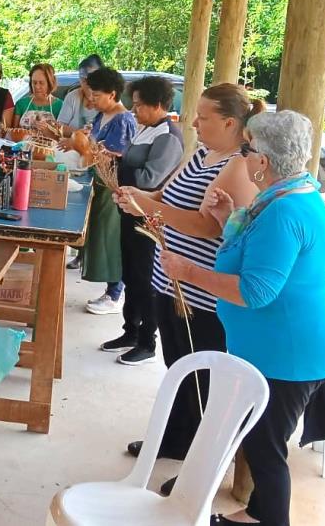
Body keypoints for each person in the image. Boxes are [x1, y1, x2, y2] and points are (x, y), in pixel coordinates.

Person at [160, 111, 325, 526]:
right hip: (276, 348)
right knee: (260, 438)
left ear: (263, 161)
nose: (241, 157)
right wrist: (227, 220)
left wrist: (188, 272)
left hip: (289, 354)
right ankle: (255, 512)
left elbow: (255, 291)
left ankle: (272, 519)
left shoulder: (285, 210)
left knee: (264, 447)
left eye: (246, 149)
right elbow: (259, 255)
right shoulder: (287, 194)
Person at [115, 83, 263, 468]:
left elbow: (208, 225)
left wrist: (147, 210)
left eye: (204, 116)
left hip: (201, 287)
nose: (193, 121)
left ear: (230, 122)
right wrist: (140, 196)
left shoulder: (237, 163)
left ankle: (200, 456)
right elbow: (166, 194)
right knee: (177, 362)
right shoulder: (202, 152)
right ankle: (178, 437)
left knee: (202, 372)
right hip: (171, 277)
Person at [100, 75, 184, 366]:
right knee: (131, 273)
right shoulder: (145, 128)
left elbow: (151, 179)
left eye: (138, 105)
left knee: (145, 277)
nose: (133, 111)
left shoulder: (168, 136)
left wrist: (120, 175)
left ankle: (148, 340)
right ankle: (130, 331)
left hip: (148, 216)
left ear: (157, 104)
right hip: (129, 209)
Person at [75, 67, 137, 309]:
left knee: (112, 239)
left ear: (112, 94)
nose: (92, 100)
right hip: (98, 181)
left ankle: (115, 292)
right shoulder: (102, 116)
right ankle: (110, 289)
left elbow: (116, 157)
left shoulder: (123, 120)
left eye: (96, 95)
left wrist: (85, 148)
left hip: (114, 186)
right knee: (100, 236)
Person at [54, 54, 105, 137]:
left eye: (92, 78)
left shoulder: (110, 99)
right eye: (83, 79)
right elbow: (59, 127)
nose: (87, 83)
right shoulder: (72, 97)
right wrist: (78, 133)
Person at [13, 63, 63, 129]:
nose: (37, 86)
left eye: (41, 83)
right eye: (34, 82)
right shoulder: (21, 104)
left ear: (50, 83)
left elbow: (61, 134)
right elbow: (13, 131)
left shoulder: (60, 106)